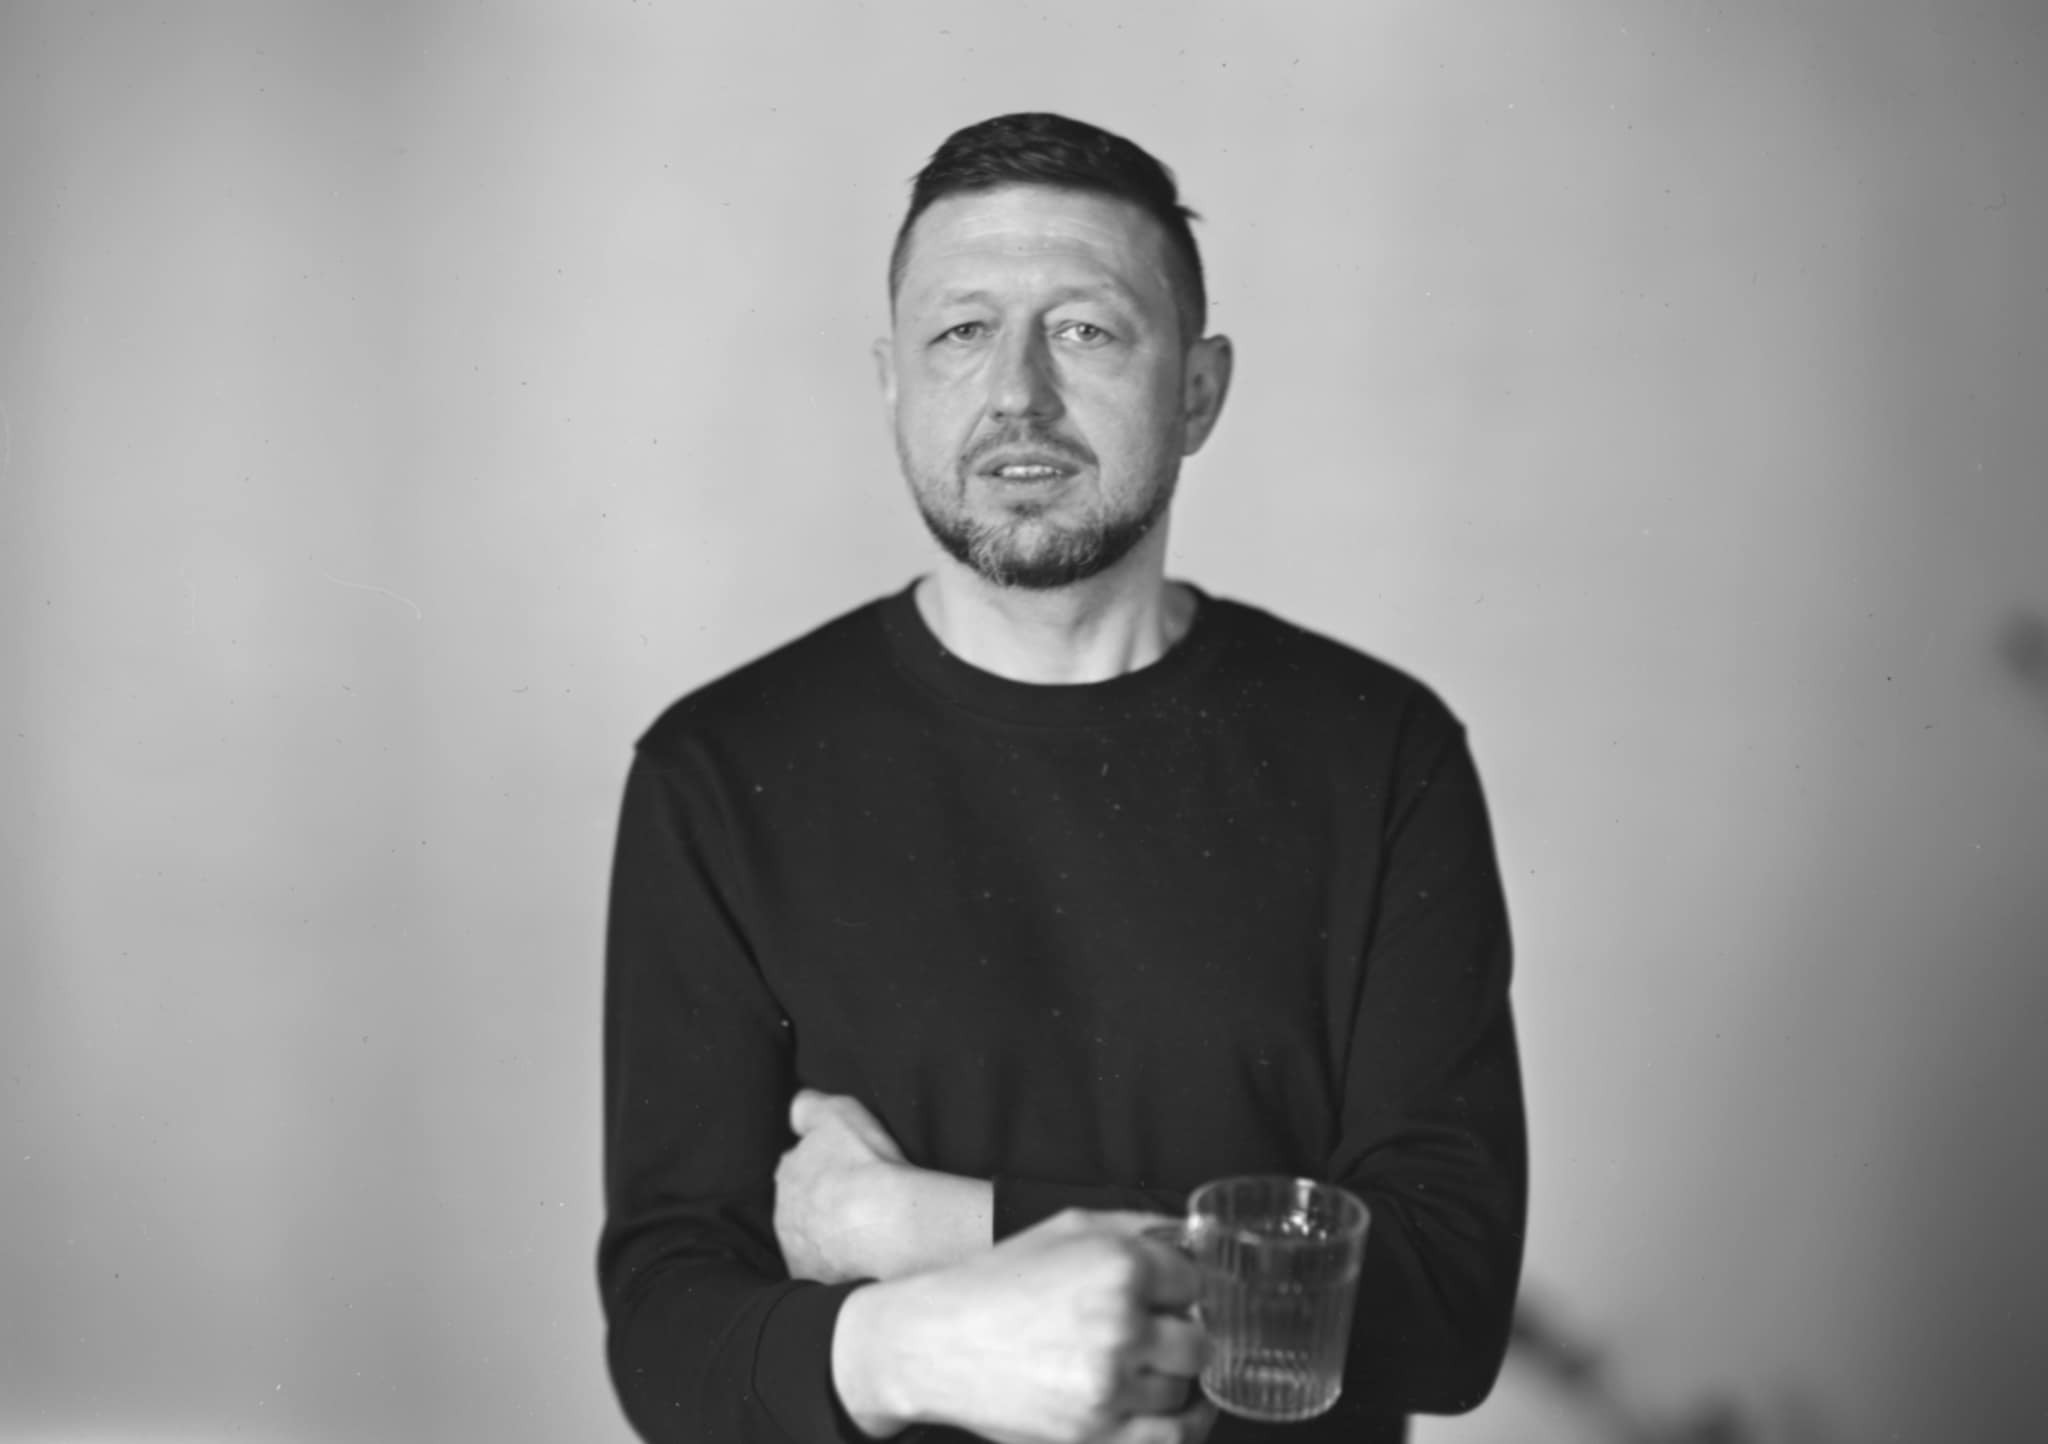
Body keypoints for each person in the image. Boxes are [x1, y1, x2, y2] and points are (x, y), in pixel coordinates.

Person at [598, 112, 1527, 1444]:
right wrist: (918, 1346)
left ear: (1197, 392)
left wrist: (929, 1228)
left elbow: (1445, 1303)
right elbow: (669, 1337)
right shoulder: (718, 771)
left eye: (1086, 330)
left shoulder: (1383, 751)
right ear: (893, 384)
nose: (1017, 394)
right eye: (961, 333)